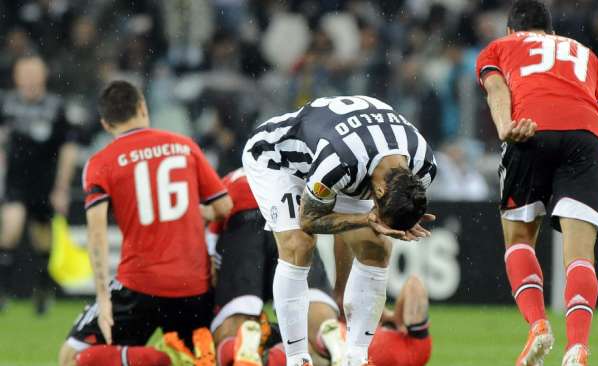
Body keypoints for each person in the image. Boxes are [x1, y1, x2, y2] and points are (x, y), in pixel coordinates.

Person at [242, 95, 437, 366]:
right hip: (279, 160)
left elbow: (390, 208)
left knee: (377, 246)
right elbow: (310, 220)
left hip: (350, 160)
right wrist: (365, 220)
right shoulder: (340, 163)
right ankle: (297, 359)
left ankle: (355, 358)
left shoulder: (424, 166)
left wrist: (402, 219)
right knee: (299, 244)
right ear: (379, 192)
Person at [476, 1, 598, 365]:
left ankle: (539, 325)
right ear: (551, 32)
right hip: (587, 138)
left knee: (520, 239)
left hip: (530, 129)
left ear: (511, 31)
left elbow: (496, 90)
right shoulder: (586, 55)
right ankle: (578, 347)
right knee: (580, 258)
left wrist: (505, 127)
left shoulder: (499, 48)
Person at [58, 80, 234, 366]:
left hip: (139, 287)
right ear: (142, 107)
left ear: (105, 123)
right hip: (193, 288)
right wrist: (194, 212)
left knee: (71, 357)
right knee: (208, 357)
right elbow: (224, 207)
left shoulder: (102, 163)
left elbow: (97, 233)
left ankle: (148, 361)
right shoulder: (183, 146)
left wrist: (103, 299)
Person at [206, 170, 345, 366]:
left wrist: (213, 259)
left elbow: (215, 218)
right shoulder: (290, 172)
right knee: (310, 307)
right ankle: (330, 335)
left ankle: (243, 339)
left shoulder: (228, 181)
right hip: (290, 222)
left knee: (234, 322)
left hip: (244, 225)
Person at [0, 55, 79, 314]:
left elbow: (68, 149)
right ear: (17, 77)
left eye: (35, 73)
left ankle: (43, 291)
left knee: (42, 240)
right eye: (25, 74)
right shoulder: (6, 104)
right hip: (15, 183)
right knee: (10, 228)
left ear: (43, 76)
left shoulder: (56, 107)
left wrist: (62, 187)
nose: (30, 79)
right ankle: (3, 292)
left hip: (45, 184)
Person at [263, 274, 433, 366]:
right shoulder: (410, 348)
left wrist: (394, 317)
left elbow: (414, 285)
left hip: (326, 337)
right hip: (325, 344)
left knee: (296, 260)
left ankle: (336, 346)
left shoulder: (418, 347)